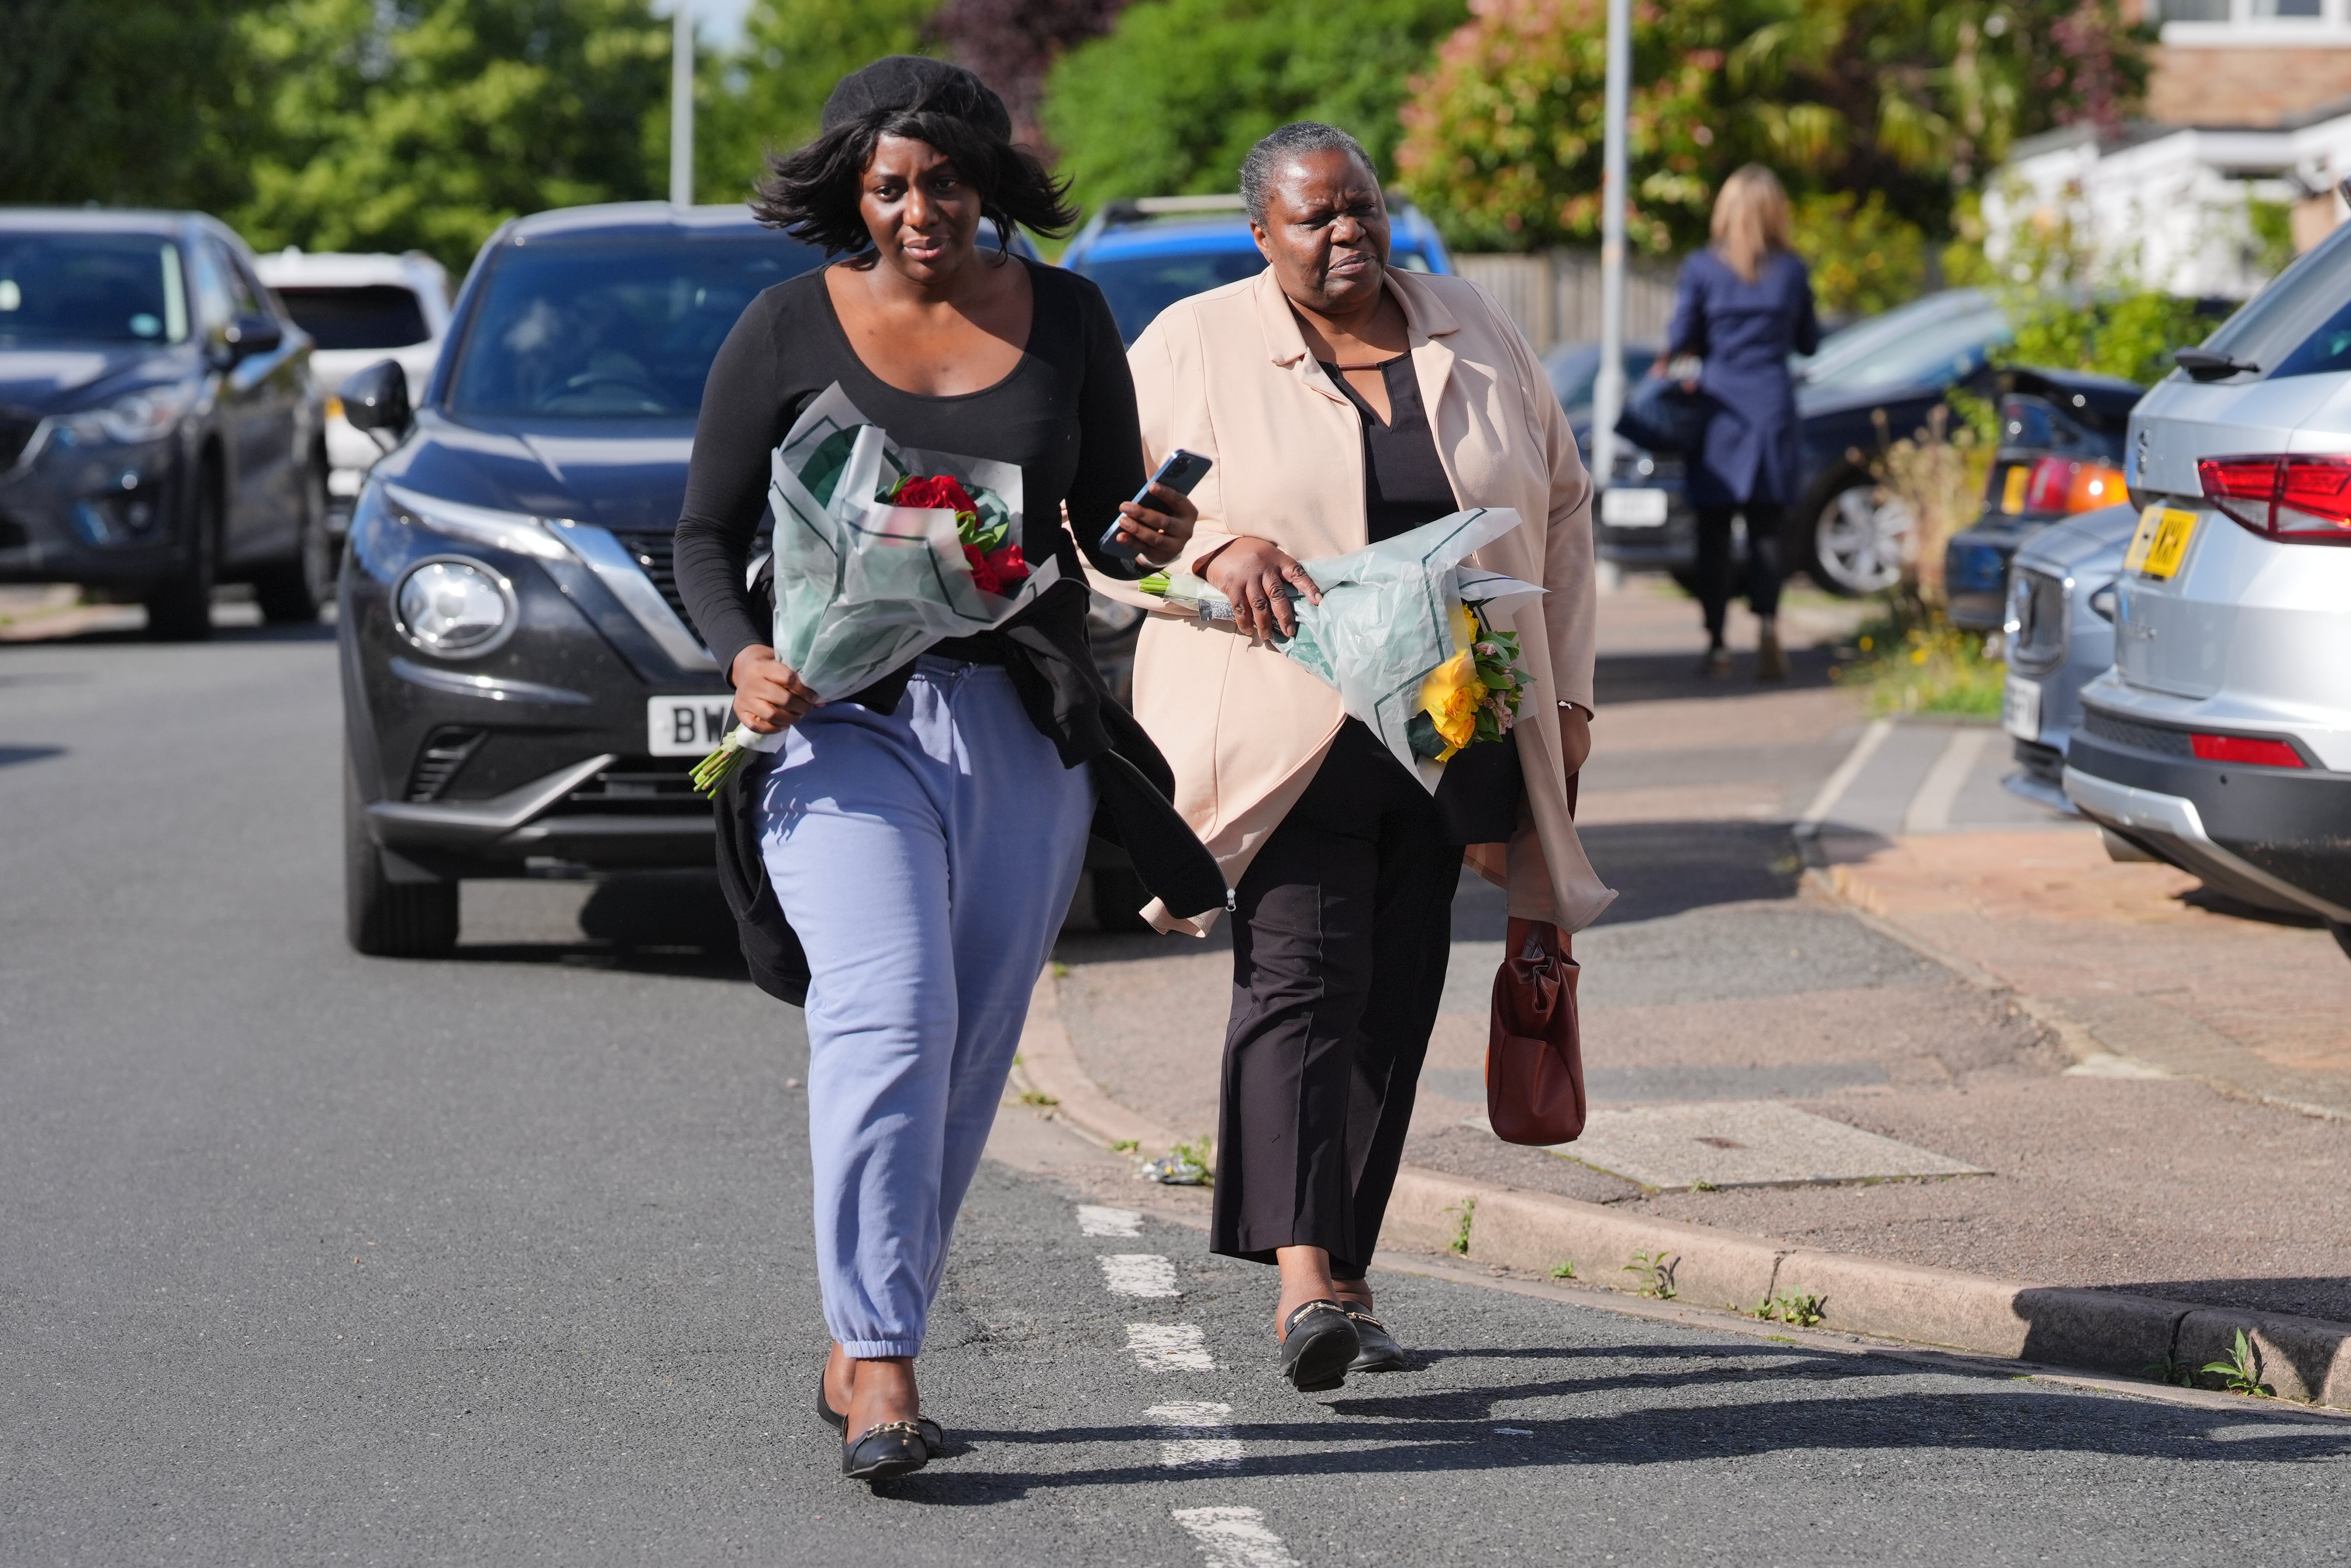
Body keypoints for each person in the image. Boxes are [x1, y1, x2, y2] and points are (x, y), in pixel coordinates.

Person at [671, 57, 1197, 1481]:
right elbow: (704, 537)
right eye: (891, 184)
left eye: (945, 182)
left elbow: (1094, 513)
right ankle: (887, 1367)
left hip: (1018, 724)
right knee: (886, 1016)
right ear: (854, 187)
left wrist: (1141, 536)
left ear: (987, 185)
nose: (919, 208)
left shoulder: (1071, 315)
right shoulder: (787, 327)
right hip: (841, 725)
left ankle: (860, 1332)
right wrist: (740, 658)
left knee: (966, 1048)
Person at [1111, 121, 1614, 1393]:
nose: (1347, 233)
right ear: (1260, 233)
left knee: (1390, 991)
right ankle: (1300, 1283)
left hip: (1454, 711)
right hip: (1288, 716)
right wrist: (1213, 549)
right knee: (1301, 975)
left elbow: (1559, 508)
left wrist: (1571, 702)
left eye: (1364, 209)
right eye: (1315, 217)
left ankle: (1349, 1267)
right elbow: (1104, 525)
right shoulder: (1194, 344)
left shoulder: (1473, 326)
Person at [1659, 164, 1820, 680]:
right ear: (1776, 212)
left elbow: (1681, 335)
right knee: (1767, 529)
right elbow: (1809, 342)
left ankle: (1717, 643)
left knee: (1712, 532)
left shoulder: (1703, 268)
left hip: (1718, 410)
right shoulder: (1791, 271)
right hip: (1771, 406)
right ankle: (1769, 626)